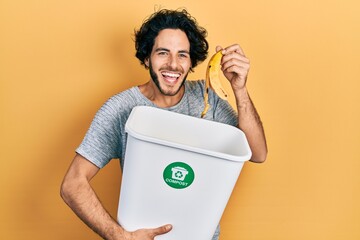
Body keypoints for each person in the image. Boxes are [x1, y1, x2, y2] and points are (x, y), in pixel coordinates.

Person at [60, 8, 267, 240]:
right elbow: (73, 184)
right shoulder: (122, 109)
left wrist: (240, 89)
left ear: (191, 62)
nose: (173, 64)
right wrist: (119, 236)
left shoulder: (208, 99)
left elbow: (257, 153)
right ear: (147, 57)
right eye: (162, 53)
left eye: (182, 55)